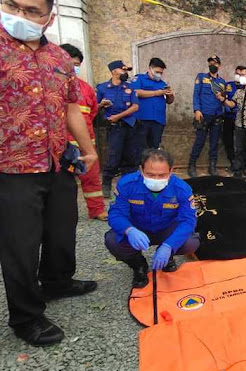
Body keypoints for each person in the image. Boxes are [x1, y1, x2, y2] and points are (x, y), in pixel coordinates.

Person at [0, 0, 98, 346]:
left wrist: (88, 149)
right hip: (11, 166)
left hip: (57, 159)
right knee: (20, 243)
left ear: (48, 17)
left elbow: (71, 107)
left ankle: (57, 281)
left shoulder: (59, 57)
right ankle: (26, 316)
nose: (19, 15)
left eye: (31, 10)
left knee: (62, 226)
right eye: (11, 5)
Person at [105, 149, 200, 288]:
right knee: (113, 240)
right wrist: (129, 230)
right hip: (138, 229)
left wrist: (169, 245)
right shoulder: (127, 184)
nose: (156, 179)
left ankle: (167, 257)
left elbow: (188, 220)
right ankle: (138, 265)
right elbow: (116, 213)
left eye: (162, 175)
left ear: (171, 171)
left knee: (191, 242)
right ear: (141, 170)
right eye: (150, 174)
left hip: (166, 229)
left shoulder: (181, 188)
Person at [59, 43, 108, 221]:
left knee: (91, 177)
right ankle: (60, 214)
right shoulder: (50, 86)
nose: (74, 68)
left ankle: (97, 210)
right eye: (70, 63)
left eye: (77, 65)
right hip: (61, 145)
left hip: (86, 143)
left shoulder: (86, 88)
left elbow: (92, 112)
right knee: (61, 182)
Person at [97, 60, 141, 198]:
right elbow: (94, 107)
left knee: (131, 158)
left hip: (130, 126)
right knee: (113, 157)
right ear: (114, 71)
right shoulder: (102, 88)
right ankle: (106, 184)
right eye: (123, 70)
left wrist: (118, 116)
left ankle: (128, 188)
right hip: (114, 128)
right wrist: (101, 105)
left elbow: (135, 106)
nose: (125, 73)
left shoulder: (130, 87)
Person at [188, 55, 226, 178]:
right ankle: (192, 165)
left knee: (214, 143)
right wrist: (197, 109)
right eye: (210, 63)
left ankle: (212, 166)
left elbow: (224, 99)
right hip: (203, 115)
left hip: (217, 115)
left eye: (215, 63)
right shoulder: (201, 77)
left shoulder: (222, 82)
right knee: (199, 141)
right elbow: (196, 94)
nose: (212, 65)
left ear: (219, 65)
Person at [130, 57, 174, 149]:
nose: (159, 75)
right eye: (157, 72)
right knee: (140, 147)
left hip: (158, 120)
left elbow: (169, 101)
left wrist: (170, 95)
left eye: (161, 73)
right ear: (150, 69)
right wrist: (156, 93)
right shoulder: (139, 79)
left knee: (154, 148)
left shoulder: (162, 83)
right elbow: (135, 92)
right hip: (142, 119)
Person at [221, 66, 244, 170]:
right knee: (228, 141)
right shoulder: (228, 85)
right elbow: (223, 98)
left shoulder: (245, 87)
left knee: (241, 143)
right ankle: (233, 162)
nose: (238, 76)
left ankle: (242, 165)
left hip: (240, 119)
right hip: (228, 118)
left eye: (240, 74)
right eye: (237, 73)